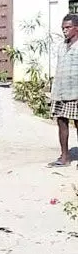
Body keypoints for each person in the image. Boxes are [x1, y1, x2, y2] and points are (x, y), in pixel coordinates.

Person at [48, 14, 78, 168]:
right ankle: (64, 156)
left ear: (76, 28)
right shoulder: (61, 46)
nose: (65, 31)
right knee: (61, 123)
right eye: (63, 28)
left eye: (68, 27)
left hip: (76, 92)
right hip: (60, 92)